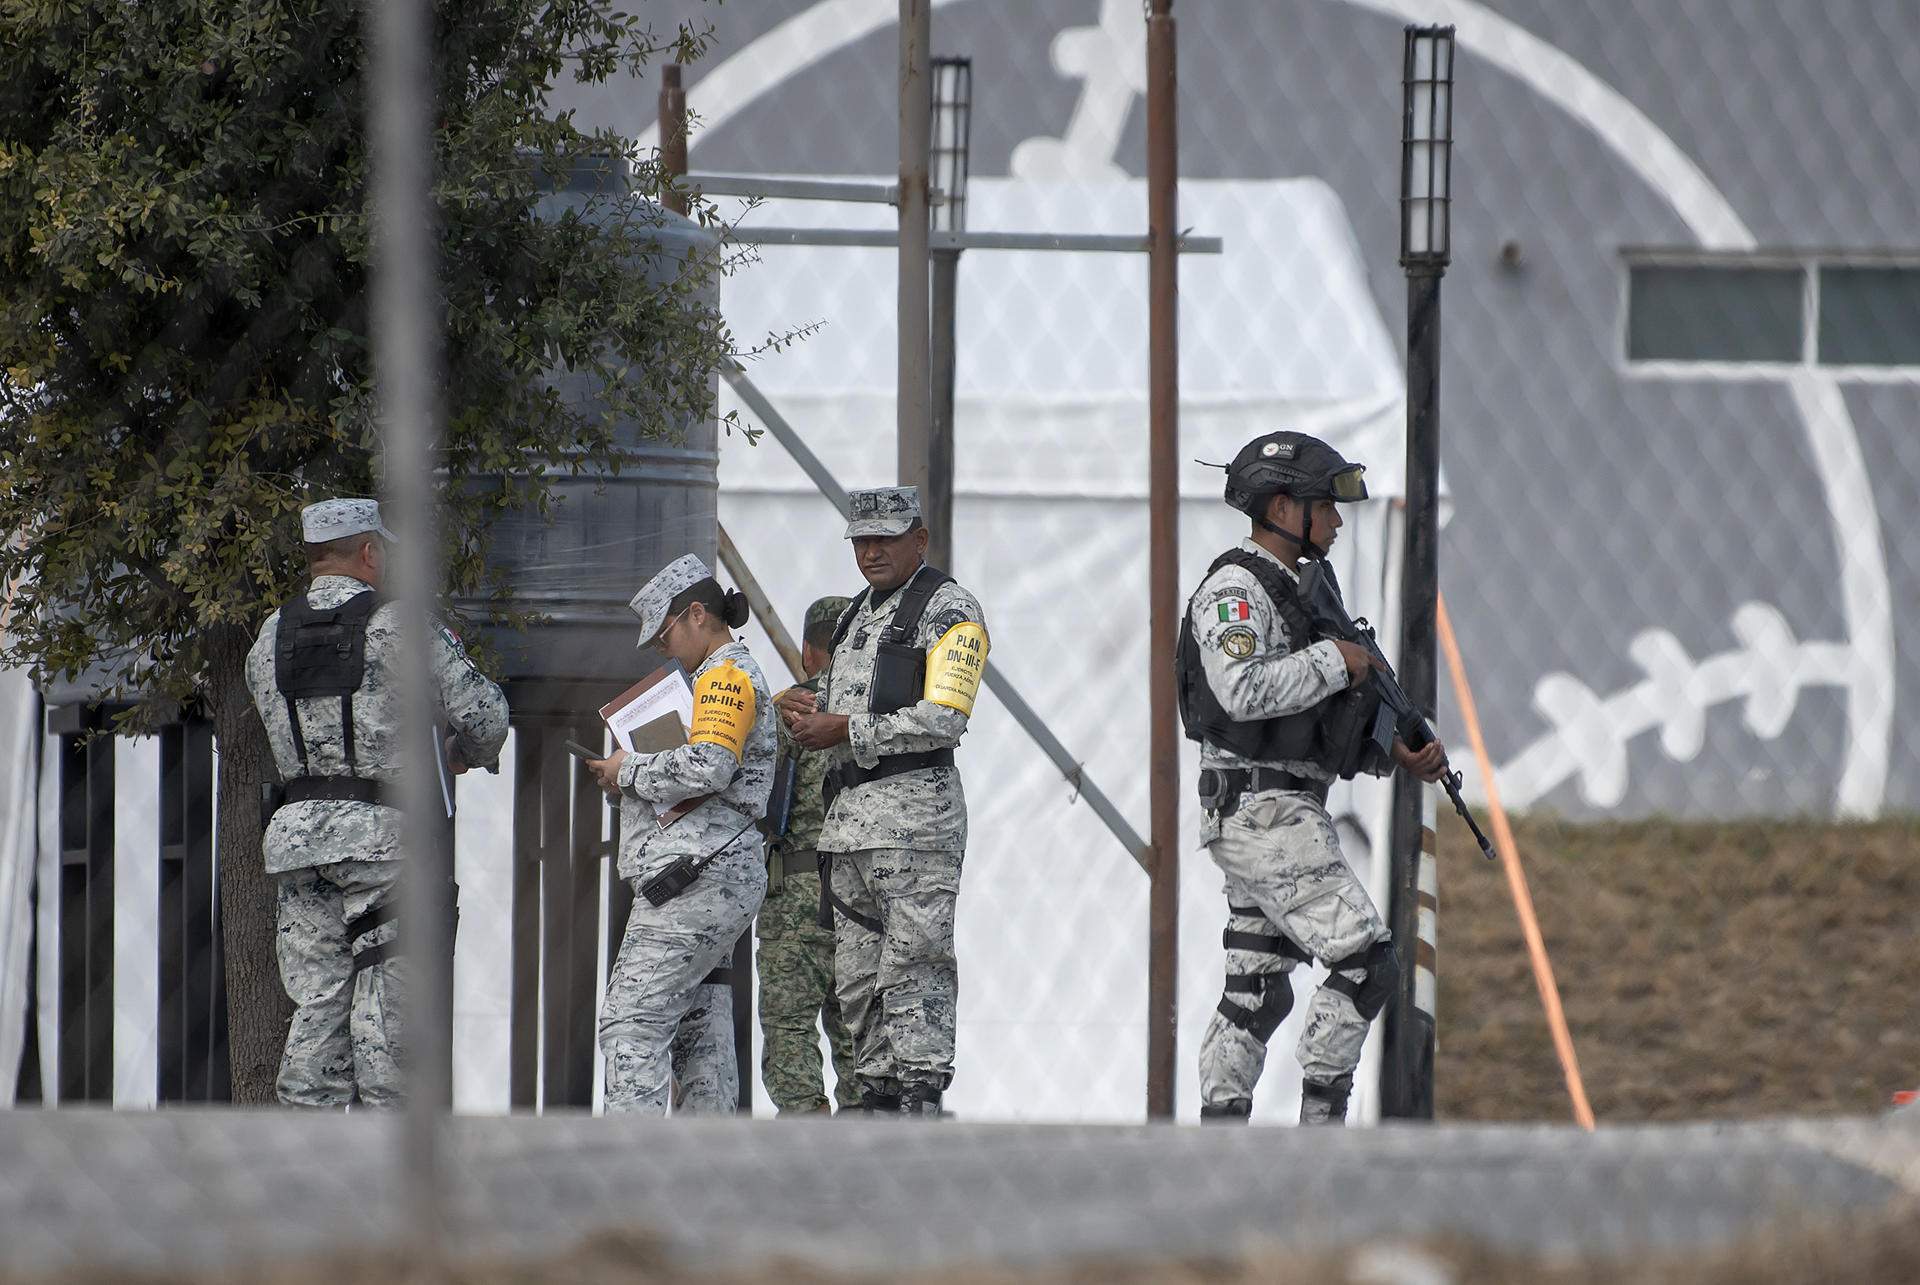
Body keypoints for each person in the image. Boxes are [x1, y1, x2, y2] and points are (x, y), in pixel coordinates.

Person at [1180, 432, 1447, 1125]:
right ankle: (1322, 1122)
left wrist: (1395, 750)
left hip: (1285, 805)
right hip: (1261, 811)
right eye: (1323, 505)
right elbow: (1240, 689)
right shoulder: (1237, 589)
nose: (1334, 520)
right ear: (1280, 505)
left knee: (1257, 989)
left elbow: (1315, 724)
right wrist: (1337, 660)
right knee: (1368, 961)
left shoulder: (1304, 593)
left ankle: (1221, 1124)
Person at [245, 497, 508, 1108]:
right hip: (382, 845)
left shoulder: (268, 637)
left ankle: (310, 1162)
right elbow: (486, 714)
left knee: (317, 1007)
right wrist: (462, 751)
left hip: (297, 846)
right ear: (369, 553)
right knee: (390, 1014)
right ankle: (388, 1173)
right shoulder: (399, 624)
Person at [786, 487, 989, 1119]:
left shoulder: (951, 610)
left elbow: (945, 718)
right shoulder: (854, 614)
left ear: (919, 539)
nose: (871, 552)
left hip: (914, 825)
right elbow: (841, 693)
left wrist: (846, 730)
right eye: (861, 541)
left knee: (915, 970)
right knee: (858, 981)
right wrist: (799, 704)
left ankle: (922, 1100)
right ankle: (874, 1101)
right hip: (848, 828)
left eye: (886, 538)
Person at [586, 554, 774, 1114]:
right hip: (708, 872)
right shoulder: (712, 679)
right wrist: (630, 784)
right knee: (701, 1028)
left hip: (695, 877)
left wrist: (630, 771)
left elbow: (712, 764)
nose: (662, 649)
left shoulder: (725, 676)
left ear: (696, 615)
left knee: (631, 1023)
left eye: (664, 634)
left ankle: (628, 1168)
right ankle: (706, 1166)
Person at [759, 595, 862, 1116]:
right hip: (862, 893)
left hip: (797, 888)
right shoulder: (872, 711)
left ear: (807, 650)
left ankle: (806, 1127)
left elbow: (755, 797)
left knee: (789, 1024)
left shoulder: (788, 708)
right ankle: (865, 1130)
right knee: (857, 1026)